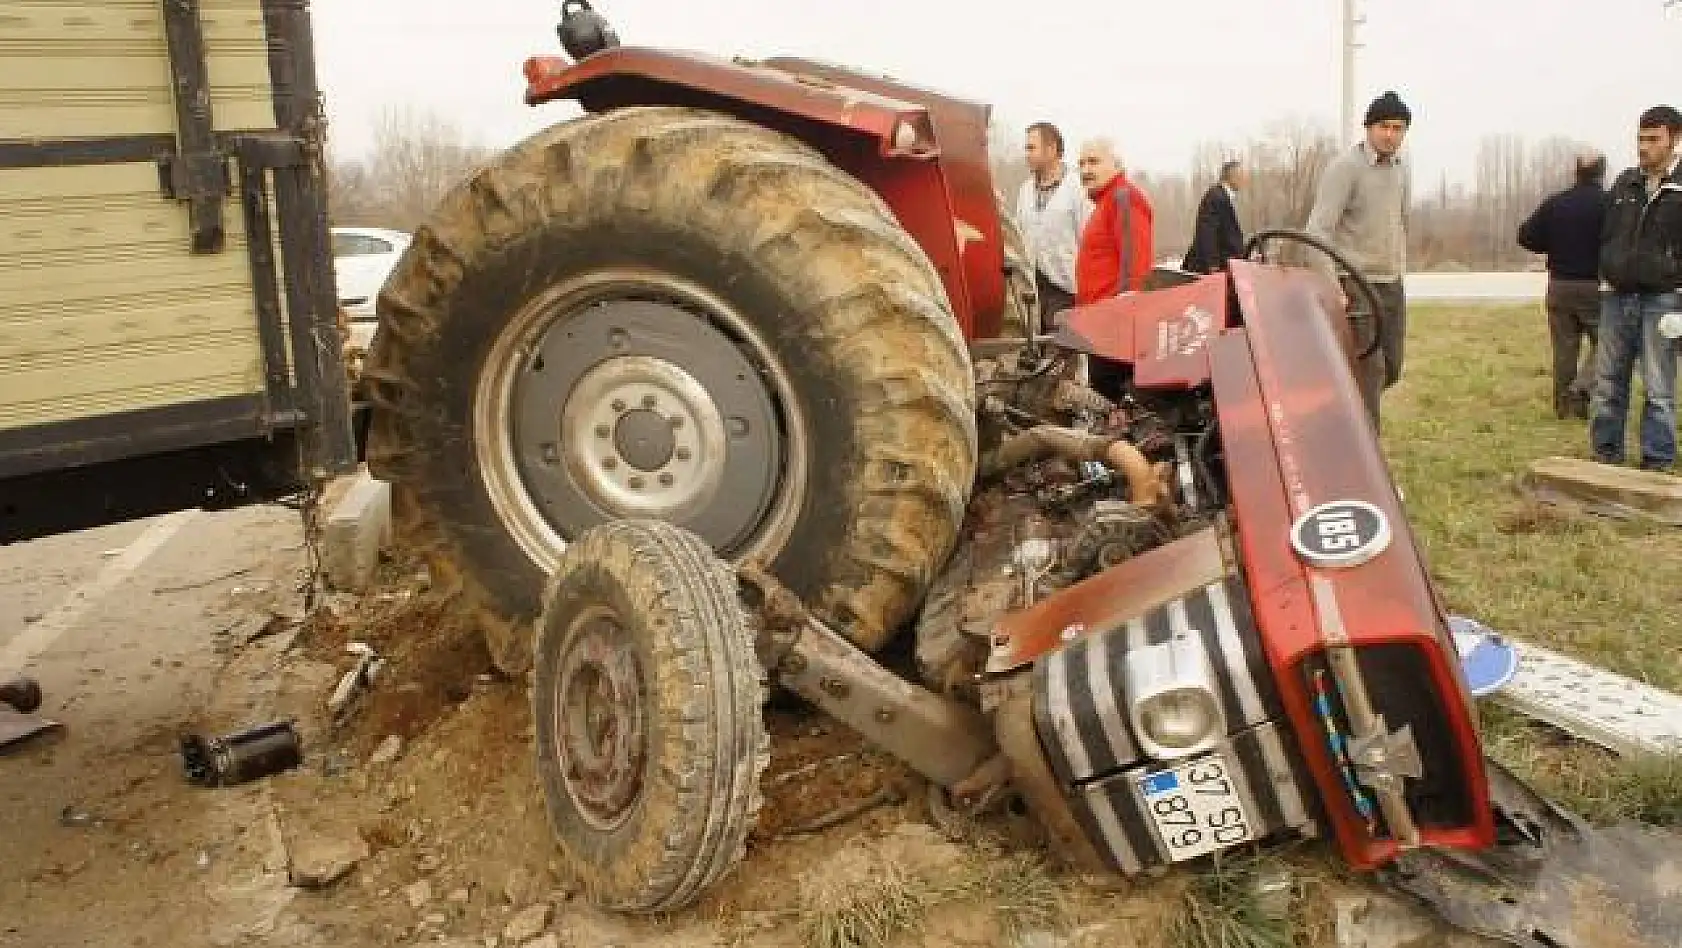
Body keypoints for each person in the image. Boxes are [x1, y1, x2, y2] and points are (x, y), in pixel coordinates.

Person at [1304, 90, 1414, 430]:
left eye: (1398, 128)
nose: (1390, 135)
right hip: (1357, 283)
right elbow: (1317, 230)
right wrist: (1333, 284)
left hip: (1390, 282)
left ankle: (1342, 413)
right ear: (1368, 127)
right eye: (1384, 126)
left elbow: (1399, 222)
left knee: (1392, 366)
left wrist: (1400, 270)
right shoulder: (1346, 168)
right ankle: (1366, 457)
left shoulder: (1401, 168)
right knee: (1371, 370)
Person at [1590, 105, 1682, 472]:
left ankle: (1657, 461)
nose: (1644, 147)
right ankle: (1604, 456)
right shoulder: (1625, 183)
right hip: (1616, 295)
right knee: (1607, 381)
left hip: (1663, 299)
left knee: (1658, 386)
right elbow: (1609, 233)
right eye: (1640, 139)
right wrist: (1607, 268)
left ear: (1674, 140)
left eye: (1653, 140)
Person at [1517, 152, 1609, 419]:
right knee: (1608, 344)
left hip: (1559, 285)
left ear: (1576, 172)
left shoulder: (1556, 203)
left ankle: (1564, 407)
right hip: (1595, 286)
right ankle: (1582, 389)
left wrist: (1552, 244)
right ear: (1602, 174)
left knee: (1564, 350)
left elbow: (1525, 235)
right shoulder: (1609, 203)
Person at [1074, 137, 1156, 399]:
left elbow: (1135, 255)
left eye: (1094, 161)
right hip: (1100, 326)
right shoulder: (1106, 203)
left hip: (1115, 328)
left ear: (1117, 165)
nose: (1086, 170)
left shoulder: (1124, 196)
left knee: (1116, 404)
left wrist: (1126, 306)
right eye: (1081, 163)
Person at [1015, 121, 1091, 328]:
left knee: (1061, 355)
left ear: (1051, 150)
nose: (1027, 154)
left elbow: (1089, 241)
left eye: (1032, 148)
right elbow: (1018, 237)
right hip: (1032, 292)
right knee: (1034, 355)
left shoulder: (1078, 189)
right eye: (1026, 148)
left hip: (1066, 291)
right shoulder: (1025, 190)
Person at [1182, 159, 1247, 274]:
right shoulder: (1216, 196)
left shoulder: (1222, 197)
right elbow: (1206, 232)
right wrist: (1212, 265)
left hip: (1226, 267)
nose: (1244, 180)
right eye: (1241, 175)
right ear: (1232, 176)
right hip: (1209, 269)